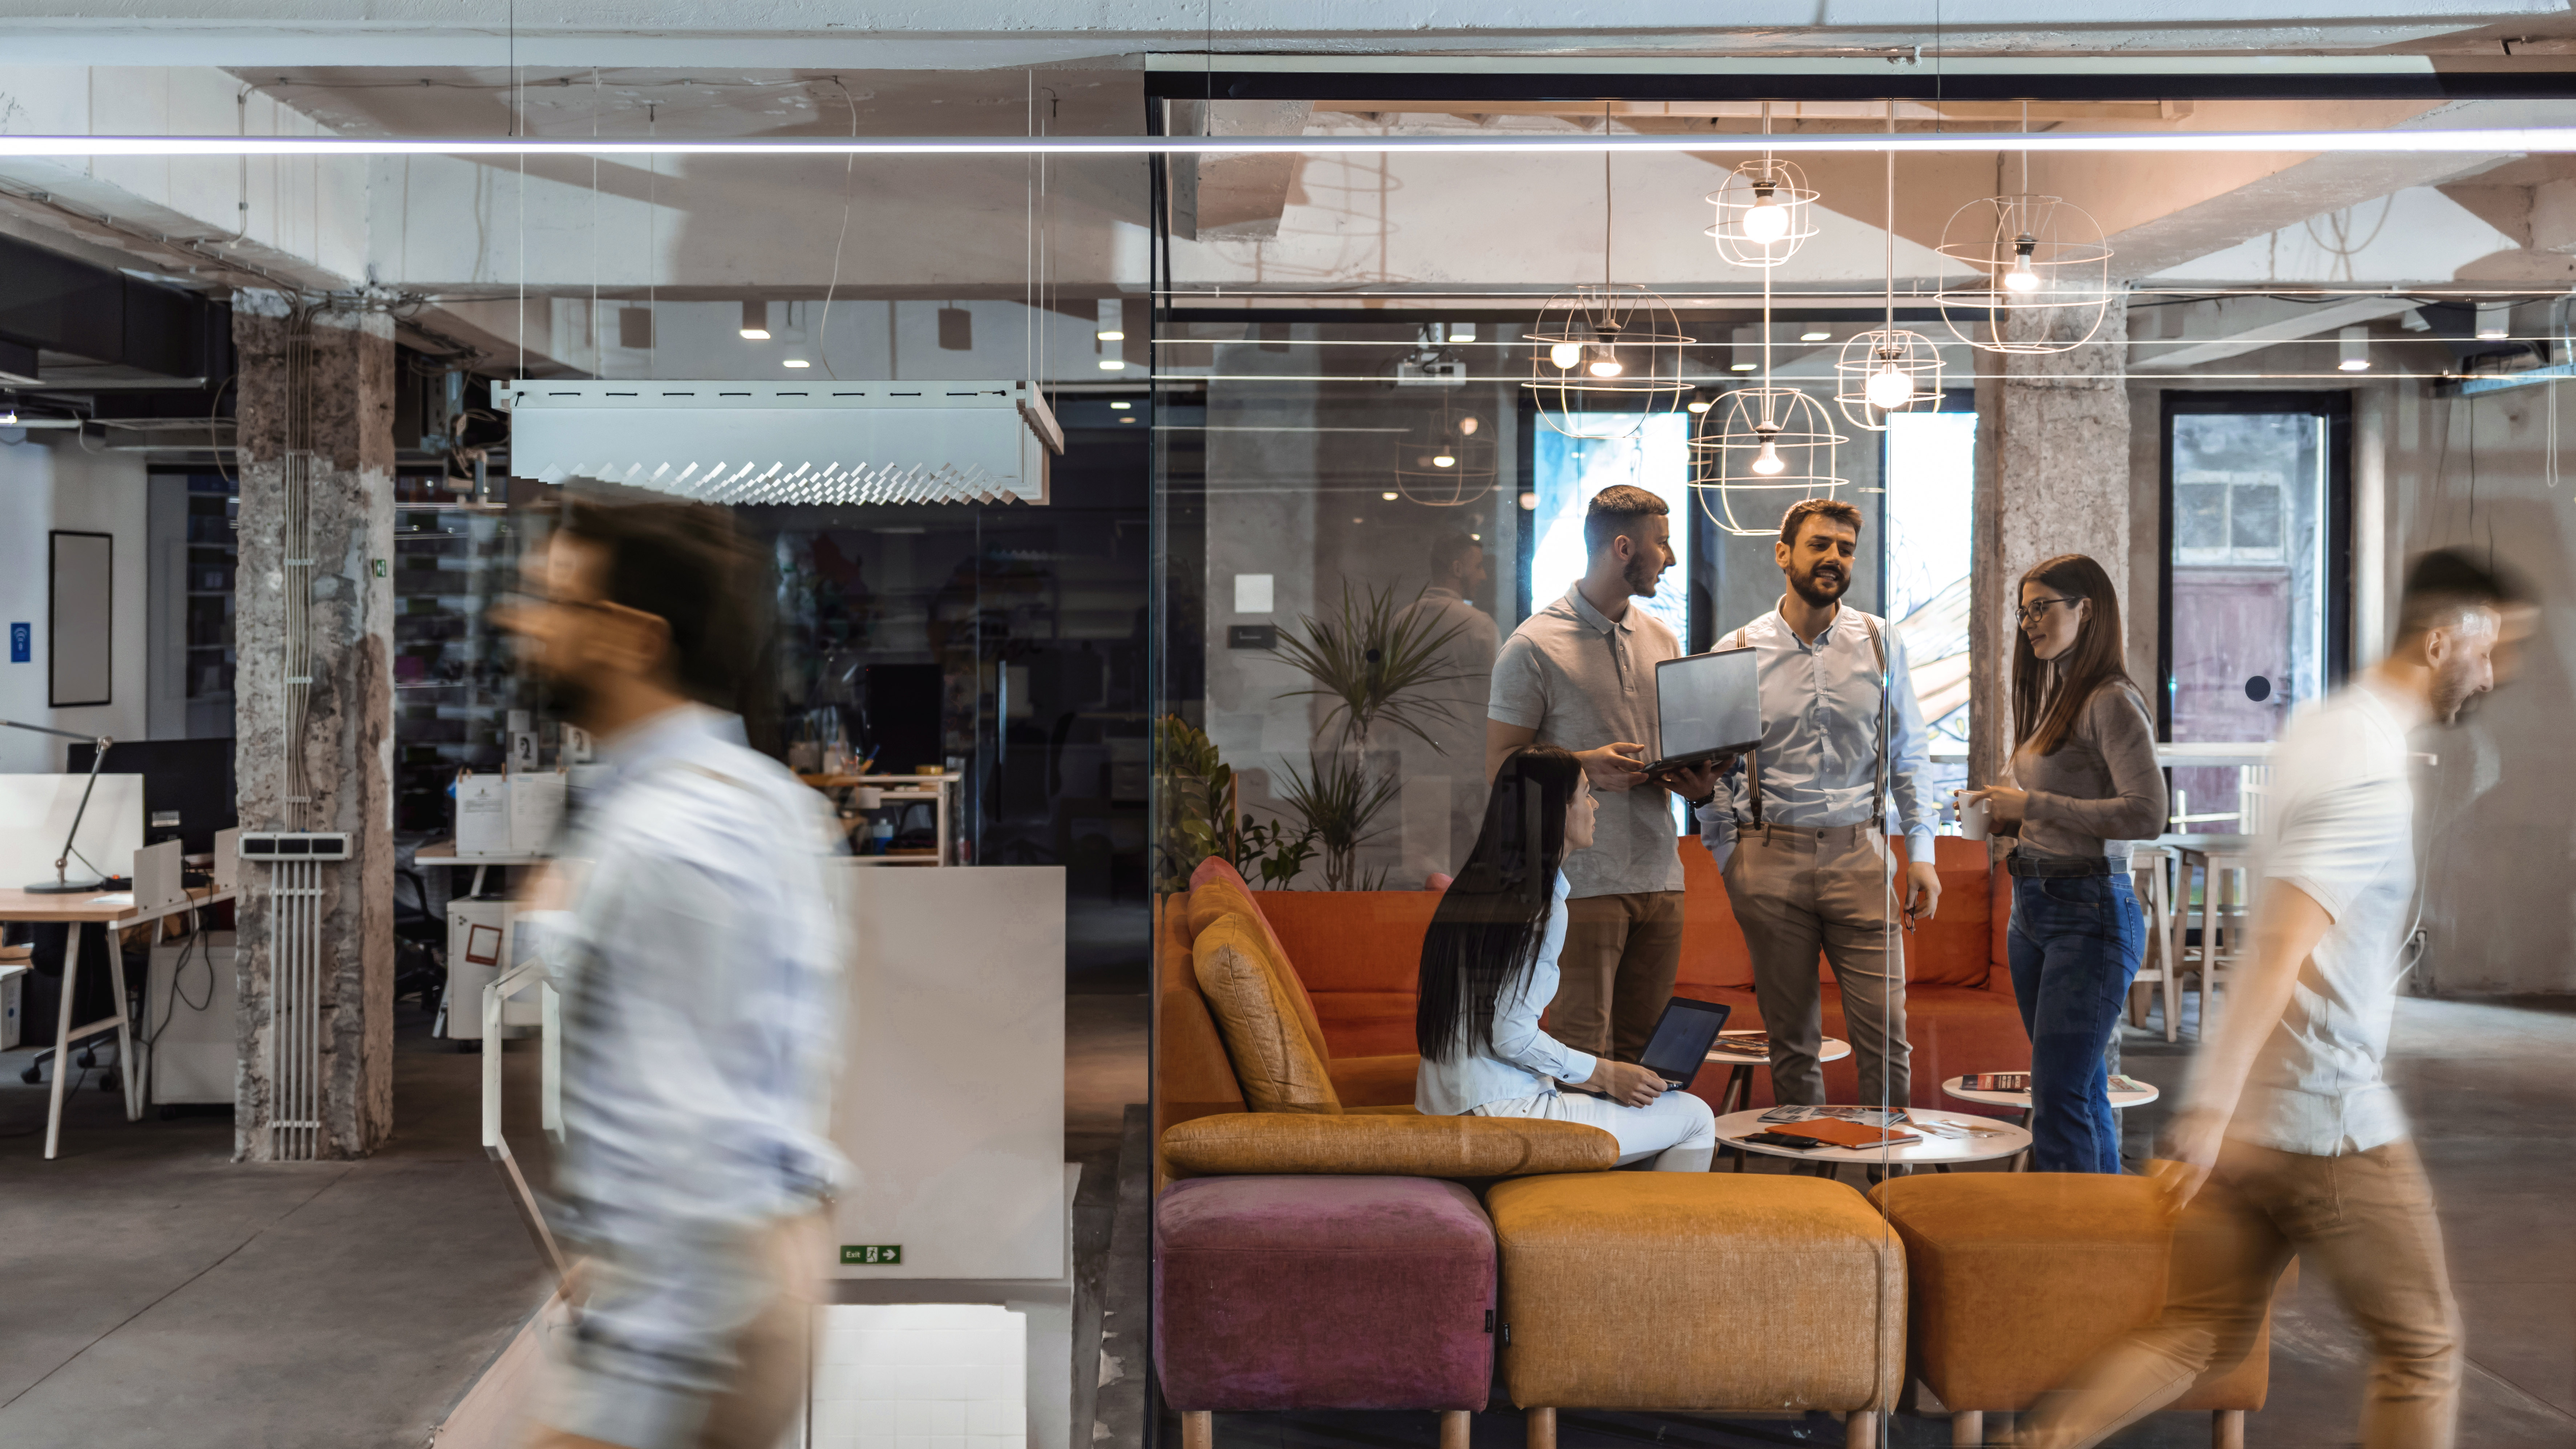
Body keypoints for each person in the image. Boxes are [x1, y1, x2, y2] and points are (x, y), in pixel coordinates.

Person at [2015, 549, 2531, 1449]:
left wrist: (2224, 1105)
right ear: (2443, 639)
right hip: (2326, 1115)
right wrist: (2212, 1108)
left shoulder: (2325, 727)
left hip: (2260, 1111)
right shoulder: (2367, 763)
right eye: (2489, 651)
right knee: (2423, 1344)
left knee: (2196, 1329)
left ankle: (2043, 1440)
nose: (2494, 674)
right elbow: (2283, 940)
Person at [498, 500, 847, 1449]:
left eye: (555, 598)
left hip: (691, 1320)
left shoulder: (664, 841)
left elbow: (687, 1122)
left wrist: (631, 1344)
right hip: (738, 1274)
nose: (521, 620)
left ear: (632, 638)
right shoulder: (763, 803)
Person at [1698, 498, 1938, 1113]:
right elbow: (1712, 771)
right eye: (1820, 544)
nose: (1834, 557)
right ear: (1783, 554)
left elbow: (1909, 752)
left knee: (1886, 1036)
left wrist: (1922, 852)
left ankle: (1888, 1184)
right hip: (1768, 858)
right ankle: (1805, 1186)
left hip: (1860, 854)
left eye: (1846, 547)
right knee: (1792, 1043)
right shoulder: (1738, 647)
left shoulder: (1881, 642)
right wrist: (1730, 856)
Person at [1486, 486, 1724, 1060]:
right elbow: (1498, 768)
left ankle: (1643, 1156)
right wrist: (1582, 766)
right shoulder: (1532, 646)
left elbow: (1669, 747)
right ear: (1623, 547)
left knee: (1649, 1056)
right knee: (1578, 1050)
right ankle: (1580, 1155)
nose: (1670, 558)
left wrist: (1698, 785)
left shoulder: (1664, 639)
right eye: (1662, 544)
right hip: (1582, 880)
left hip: (1662, 876)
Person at [1415, 745, 1719, 1171]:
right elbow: (1512, 1035)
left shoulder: (1478, 889)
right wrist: (1605, 1073)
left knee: (1651, 1110)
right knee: (1695, 1117)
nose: (1594, 805)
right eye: (1586, 793)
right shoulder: (1540, 905)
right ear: (1558, 810)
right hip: (1505, 1115)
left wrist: (1596, 1077)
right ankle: (1660, 1233)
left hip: (1452, 1105)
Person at [1959, 554, 2166, 1174]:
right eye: (2023, 610)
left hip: (2090, 911)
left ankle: (2069, 1246)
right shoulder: (2057, 694)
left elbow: (2146, 813)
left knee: (2060, 1094)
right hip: (2035, 906)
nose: (2028, 622)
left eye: (2042, 606)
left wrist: (2033, 803)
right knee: (2074, 1088)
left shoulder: (2110, 700)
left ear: (2088, 609)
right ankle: (2102, 1234)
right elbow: (2057, 801)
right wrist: (2009, 814)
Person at [1394, 531, 1502, 881]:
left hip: (1418, 763)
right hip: (1468, 764)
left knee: (1424, 868)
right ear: (1457, 568)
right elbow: (1498, 702)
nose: (1483, 575)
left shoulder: (1400, 623)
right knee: (1475, 868)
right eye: (1478, 566)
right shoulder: (1480, 627)